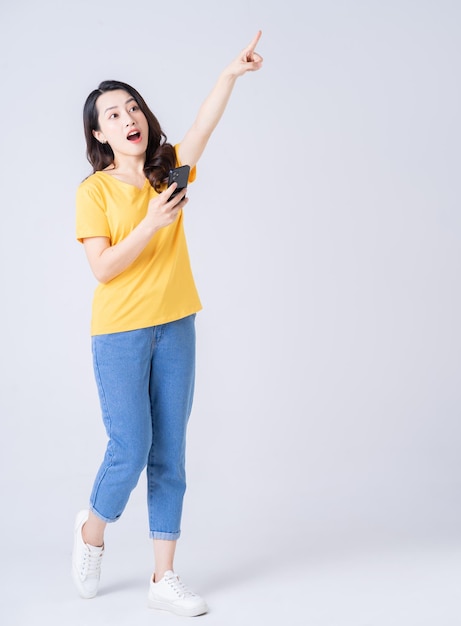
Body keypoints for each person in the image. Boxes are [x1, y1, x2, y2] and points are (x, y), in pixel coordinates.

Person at [72, 32, 263, 616]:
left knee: (171, 452)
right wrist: (152, 224)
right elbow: (103, 268)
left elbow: (202, 128)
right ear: (100, 135)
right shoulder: (95, 191)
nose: (128, 117)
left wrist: (228, 75)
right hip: (122, 333)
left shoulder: (168, 171)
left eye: (133, 106)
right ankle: (90, 534)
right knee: (131, 447)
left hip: (177, 324)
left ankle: (164, 575)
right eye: (113, 114)